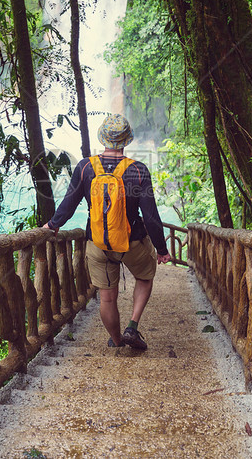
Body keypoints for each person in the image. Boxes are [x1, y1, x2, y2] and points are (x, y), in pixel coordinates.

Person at [43, 114, 171, 350]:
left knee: (107, 298)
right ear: (126, 141)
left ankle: (117, 339)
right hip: (132, 244)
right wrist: (162, 250)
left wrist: (52, 225)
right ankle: (132, 326)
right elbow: (151, 217)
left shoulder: (85, 167)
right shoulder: (138, 171)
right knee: (145, 277)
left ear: (103, 138)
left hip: (98, 244)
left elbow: (69, 205)